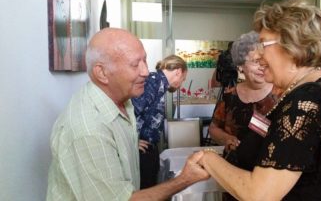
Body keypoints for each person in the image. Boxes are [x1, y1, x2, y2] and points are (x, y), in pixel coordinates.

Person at [195, 0, 321, 200]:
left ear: (291, 45)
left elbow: (259, 195)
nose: (259, 56)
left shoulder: (304, 105)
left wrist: (207, 158)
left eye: (263, 44)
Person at [46, 28, 208, 201]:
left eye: (145, 61)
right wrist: (185, 179)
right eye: (134, 64)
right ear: (102, 73)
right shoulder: (89, 130)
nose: (146, 71)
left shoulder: (124, 100)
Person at [209, 31, 278, 172]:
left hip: (269, 173)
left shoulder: (281, 96)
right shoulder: (230, 95)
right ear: (240, 65)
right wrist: (226, 138)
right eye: (255, 61)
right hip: (233, 169)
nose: (262, 67)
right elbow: (213, 128)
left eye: (265, 62)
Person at [131, 55, 187, 189]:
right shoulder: (153, 82)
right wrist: (132, 140)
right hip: (142, 149)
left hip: (149, 146)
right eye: (183, 78)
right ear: (178, 72)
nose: (182, 83)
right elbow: (131, 110)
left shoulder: (159, 85)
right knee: (146, 189)